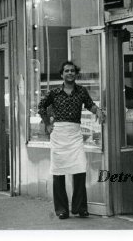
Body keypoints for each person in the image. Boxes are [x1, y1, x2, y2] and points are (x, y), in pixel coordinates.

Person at [38, 60, 105, 219]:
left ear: (76, 74)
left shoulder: (81, 91)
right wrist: (47, 123)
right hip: (58, 133)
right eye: (66, 71)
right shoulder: (54, 92)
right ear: (62, 74)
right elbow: (41, 106)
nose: (70, 73)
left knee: (80, 169)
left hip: (75, 134)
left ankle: (80, 207)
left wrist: (99, 111)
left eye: (72, 71)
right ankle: (61, 209)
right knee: (58, 172)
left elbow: (90, 105)